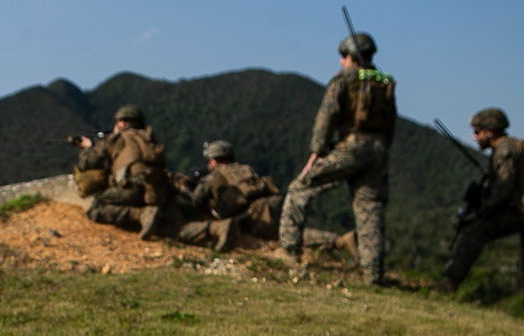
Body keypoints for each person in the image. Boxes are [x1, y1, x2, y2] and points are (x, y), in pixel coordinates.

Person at [276, 32, 397, 284]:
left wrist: (316, 152)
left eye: (343, 56)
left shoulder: (345, 78)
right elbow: (391, 123)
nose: (341, 61)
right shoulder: (384, 81)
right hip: (379, 149)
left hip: (351, 145)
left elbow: (327, 115)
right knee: (369, 209)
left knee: (299, 188)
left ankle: (289, 252)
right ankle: (373, 274)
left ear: (352, 56)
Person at [443, 108, 524, 326]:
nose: (475, 137)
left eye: (478, 132)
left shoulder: (505, 150)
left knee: (474, 233)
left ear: (490, 132)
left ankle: (449, 284)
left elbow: (504, 187)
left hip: (521, 212)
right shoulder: (520, 145)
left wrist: (484, 210)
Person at [176, 140, 359, 256]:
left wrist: (189, 184)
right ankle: (340, 241)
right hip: (273, 203)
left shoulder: (214, 176)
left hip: (257, 213)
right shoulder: (245, 168)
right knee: (289, 229)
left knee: (285, 236)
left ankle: (340, 242)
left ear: (213, 160)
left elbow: (195, 202)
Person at [75, 104, 168, 239]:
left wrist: (87, 147)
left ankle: (141, 214)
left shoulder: (116, 138)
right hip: (159, 188)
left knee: (97, 208)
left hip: (132, 186)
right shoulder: (149, 137)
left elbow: (86, 163)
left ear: (122, 122)